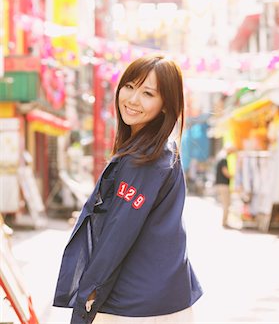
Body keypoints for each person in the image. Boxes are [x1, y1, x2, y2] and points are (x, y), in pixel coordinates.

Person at [53, 55, 203, 324]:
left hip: (134, 306)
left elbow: (119, 231)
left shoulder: (145, 159)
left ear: (166, 106)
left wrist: (90, 290)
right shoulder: (159, 152)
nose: (133, 100)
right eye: (130, 86)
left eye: (147, 93)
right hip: (163, 296)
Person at [215, 147, 234, 228]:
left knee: (225, 203)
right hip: (223, 184)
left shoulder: (220, 157)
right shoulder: (224, 159)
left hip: (220, 184)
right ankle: (224, 222)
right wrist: (233, 176)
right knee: (226, 204)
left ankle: (225, 221)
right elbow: (225, 171)